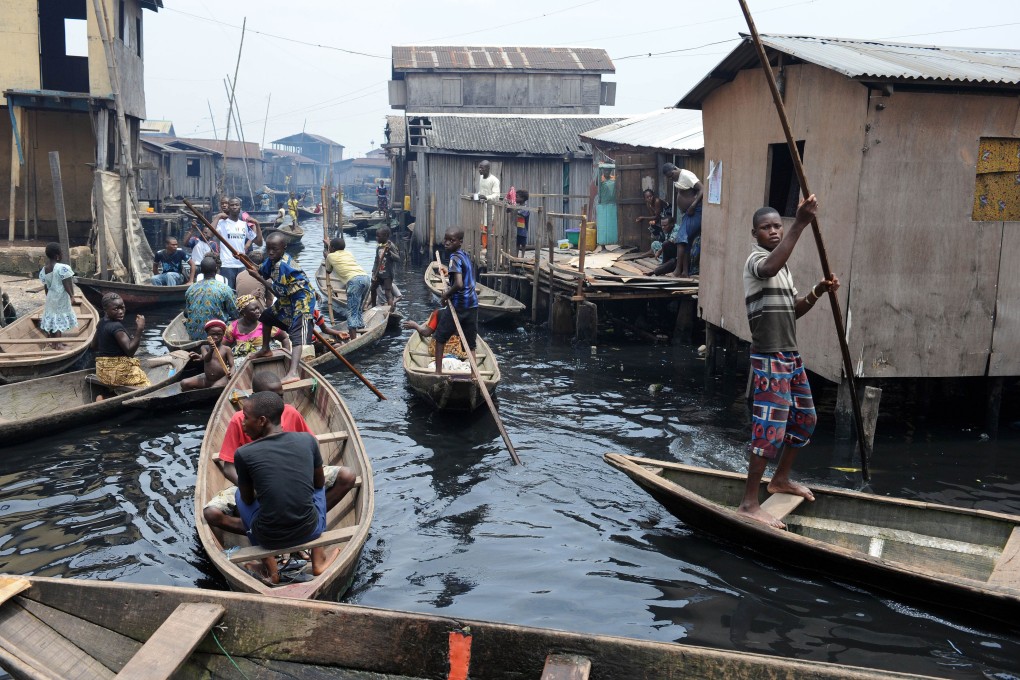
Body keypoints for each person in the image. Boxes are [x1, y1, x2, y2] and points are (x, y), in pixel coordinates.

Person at [738, 195, 839, 529]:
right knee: (769, 431)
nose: (774, 232)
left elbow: (793, 309)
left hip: (789, 355)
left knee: (805, 419)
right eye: (766, 228)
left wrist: (818, 292)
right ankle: (749, 503)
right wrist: (801, 223)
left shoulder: (783, 266)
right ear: (755, 234)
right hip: (768, 355)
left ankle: (779, 480)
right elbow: (769, 268)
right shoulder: (756, 261)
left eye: (777, 226)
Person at [230, 392, 347, 583]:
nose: (242, 423)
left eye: (246, 418)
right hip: (311, 530)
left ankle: (271, 570)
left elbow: (248, 499)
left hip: (267, 539)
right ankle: (319, 559)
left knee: (239, 494)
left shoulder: (243, 454)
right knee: (318, 488)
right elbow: (318, 485)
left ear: (261, 421)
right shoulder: (308, 440)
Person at [248, 232, 318, 383]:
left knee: (297, 334)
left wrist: (257, 278)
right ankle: (265, 349)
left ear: (284, 248)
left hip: (301, 299)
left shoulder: (284, 266)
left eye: (275, 249)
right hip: (287, 297)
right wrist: (243, 259)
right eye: (268, 249)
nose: (271, 252)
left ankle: (293, 372)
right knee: (266, 316)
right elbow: (260, 270)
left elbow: (275, 290)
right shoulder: (271, 260)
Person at [433, 228, 478, 374]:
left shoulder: (454, 258)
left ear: (460, 242)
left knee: (440, 338)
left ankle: (438, 372)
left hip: (459, 306)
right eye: (446, 239)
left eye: (451, 240)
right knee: (471, 344)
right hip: (472, 305)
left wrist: (446, 294)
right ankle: (473, 374)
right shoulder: (465, 255)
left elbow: (458, 284)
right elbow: (463, 276)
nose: (447, 243)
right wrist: (449, 273)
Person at [92, 293, 149, 387]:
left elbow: (93, 346)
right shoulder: (116, 326)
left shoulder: (101, 323)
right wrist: (140, 329)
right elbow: (130, 351)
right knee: (146, 384)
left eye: (122, 307)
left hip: (102, 373)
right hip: (118, 374)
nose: (121, 311)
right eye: (116, 309)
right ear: (105, 310)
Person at [661, 163, 704, 278]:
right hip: (688, 213)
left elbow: (702, 189)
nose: (671, 178)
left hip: (695, 211)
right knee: (686, 242)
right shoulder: (678, 177)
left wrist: (693, 206)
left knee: (681, 237)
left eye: (671, 175)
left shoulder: (686, 175)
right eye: (669, 178)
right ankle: (685, 272)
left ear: (675, 169)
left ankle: (677, 271)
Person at [224, 294, 291, 366]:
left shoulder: (266, 324)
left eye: (258, 308)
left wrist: (287, 359)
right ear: (243, 313)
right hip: (243, 365)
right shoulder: (233, 328)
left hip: (268, 361)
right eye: (253, 310)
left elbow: (284, 338)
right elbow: (223, 347)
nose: (258, 311)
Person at [324, 236, 370, 338]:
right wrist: (329, 245)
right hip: (365, 278)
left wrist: (326, 256)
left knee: (351, 311)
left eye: (330, 247)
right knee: (358, 308)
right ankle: (361, 326)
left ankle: (353, 338)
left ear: (332, 248)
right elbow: (337, 251)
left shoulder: (330, 257)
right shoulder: (348, 253)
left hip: (354, 281)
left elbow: (328, 270)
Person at [184, 256, 238, 339]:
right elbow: (235, 314)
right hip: (217, 335)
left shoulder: (191, 289)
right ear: (216, 269)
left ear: (201, 271)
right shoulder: (225, 288)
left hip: (194, 334)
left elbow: (187, 313)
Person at [38, 242, 78, 348]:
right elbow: (66, 283)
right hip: (60, 296)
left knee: (52, 317)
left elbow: (46, 286)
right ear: (57, 255)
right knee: (59, 319)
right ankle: (59, 344)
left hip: (51, 296)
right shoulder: (62, 267)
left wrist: (48, 297)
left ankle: (53, 342)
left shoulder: (44, 269)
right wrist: (72, 296)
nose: (62, 255)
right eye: (61, 253)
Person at [181, 319, 233, 391]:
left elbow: (232, 366)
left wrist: (231, 374)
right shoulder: (204, 347)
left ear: (223, 334)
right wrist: (211, 350)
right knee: (184, 383)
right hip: (207, 379)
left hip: (221, 378)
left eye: (219, 335)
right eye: (213, 334)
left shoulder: (227, 349)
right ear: (207, 334)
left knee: (214, 389)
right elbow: (206, 359)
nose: (215, 337)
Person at [210, 198, 251, 289]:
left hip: (242, 264)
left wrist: (256, 225)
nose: (234, 207)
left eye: (237, 205)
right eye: (232, 205)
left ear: (240, 207)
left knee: (241, 291)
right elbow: (209, 234)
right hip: (227, 264)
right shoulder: (221, 223)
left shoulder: (243, 224)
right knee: (228, 291)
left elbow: (257, 240)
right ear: (228, 207)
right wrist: (218, 217)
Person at [403, 310, 467, 359]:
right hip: (456, 351)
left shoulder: (437, 313)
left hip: (436, 351)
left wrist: (415, 326)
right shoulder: (464, 313)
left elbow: (426, 333)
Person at [368, 226, 400, 309]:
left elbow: (398, 258)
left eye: (379, 236)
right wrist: (373, 272)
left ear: (385, 236)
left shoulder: (390, 246)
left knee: (387, 292)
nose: (376, 238)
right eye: (376, 236)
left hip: (388, 274)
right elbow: (376, 260)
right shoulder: (379, 246)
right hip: (379, 273)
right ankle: (373, 307)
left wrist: (390, 253)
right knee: (373, 288)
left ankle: (391, 310)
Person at [477, 160, 500, 250]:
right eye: (479, 167)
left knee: (490, 230)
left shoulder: (494, 180)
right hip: (483, 208)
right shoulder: (481, 178)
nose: (480, 170)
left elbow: (496, 195)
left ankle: (491, 249)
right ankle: (485, 248)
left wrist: (486, 197)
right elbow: (481, 191)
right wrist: (477, 195)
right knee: (483, 229)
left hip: (491, 208)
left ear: (487, 168)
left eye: (481, 168)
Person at [513, 189, 530, 258]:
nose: (515, 198)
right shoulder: (517, 207)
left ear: (522, 198)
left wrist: (514, 210)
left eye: (517, 197)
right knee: (517, 244)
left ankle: (522, 256)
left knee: (523, 244)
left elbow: (523, 214)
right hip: (517, 229)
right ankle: (516, 256)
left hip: (523, 230)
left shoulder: (526, 208)